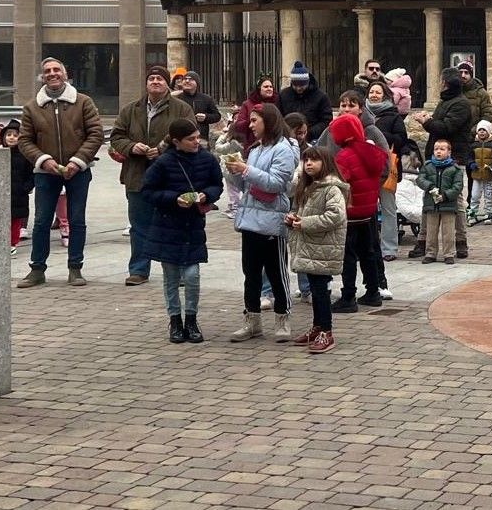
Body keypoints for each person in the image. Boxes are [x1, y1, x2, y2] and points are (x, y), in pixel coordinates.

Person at [15, 57, 105, 289]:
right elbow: (25, 140)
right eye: (47, 71)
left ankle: (75, 268)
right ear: (42, 77)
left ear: (65, 74)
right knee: (42, 221)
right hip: (45, 172)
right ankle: (37, 269)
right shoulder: (32, 107)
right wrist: (43, 160)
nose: (52, 74)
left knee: (77, 220)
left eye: (57, 70)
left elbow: (95, 134)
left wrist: (78, 161)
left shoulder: (83, 102)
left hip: (79, 171)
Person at [112, 65, 197, 287]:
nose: (155, 81)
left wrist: (162, 149)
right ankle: (139, 270)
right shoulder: (131, 109)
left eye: (160, 78)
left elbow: (190, 136)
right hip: (137, 175)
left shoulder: (182, 108)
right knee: (139, 225)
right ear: (146, 83)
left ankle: (176, 271)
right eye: (151, 78)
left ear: (167, 83)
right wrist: (132, 147)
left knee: (173, 224)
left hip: (171, 177)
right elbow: (116, 137)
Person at [139, 117, 221, 344]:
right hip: (168, 225)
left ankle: (192, 319)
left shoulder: (207, 159)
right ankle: (175, 320)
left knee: (193, 275)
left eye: (197, 137)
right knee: (171, 276)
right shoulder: (164, 162)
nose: (197, 142)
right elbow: (148, 191)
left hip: (193, 225)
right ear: (176, 141)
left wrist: (207, 195)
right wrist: (174, 199)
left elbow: (217, 184)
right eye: (191, 139)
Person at [222, 103, 297, 341]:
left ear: (269, 121)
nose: (251, 125)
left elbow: (276, 183)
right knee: (251, 273)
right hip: (250, 218)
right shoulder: (255, 149)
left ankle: (283, 318)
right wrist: (233, 170)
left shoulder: (283, 149)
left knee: (276, 272)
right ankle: (252, 320)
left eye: (255, 120)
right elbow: (245, 185)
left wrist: (246, 170)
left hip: (272, 219)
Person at [284, 146, 349, 354]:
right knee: (315, 287)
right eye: (306, 160)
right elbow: (299, 210)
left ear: (326, 163)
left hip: (323, 247)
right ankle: (317, 326)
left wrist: (304, 222)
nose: (309, 164)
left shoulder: (331, 188)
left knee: (321, 291)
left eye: (314, 160)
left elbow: (335, 216)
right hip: (310, 246)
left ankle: (326, 331)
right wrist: (292, 218)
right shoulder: (308, 186)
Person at [329, 112, 388, 312]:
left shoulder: (344, 156)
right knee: (368, 252)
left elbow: (338, 184)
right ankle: (373, 291)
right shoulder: (370, 151)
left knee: (348, 255)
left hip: (351, 212)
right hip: (368, 211)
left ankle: (348, 296)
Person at [418, 68, 474, 258]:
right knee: (429, 197)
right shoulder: (446, 101)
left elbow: (447, 128)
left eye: (441, 80)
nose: (439, 83)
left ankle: (460, 241)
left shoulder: (461, 104)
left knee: (456, 200)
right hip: (436, 158)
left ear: (446, 83)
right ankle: (424, 241)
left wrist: (426, 122)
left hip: (454, 158)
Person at [365, 80, 409, 260]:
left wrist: (379, 135)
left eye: (378, 92)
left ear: (385, 95)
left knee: (388, 208)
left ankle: (389, 249)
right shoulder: (361, 115)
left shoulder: (394, 116)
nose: (374, 95)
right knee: (366, 209)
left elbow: (401, 140)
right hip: (365, 169)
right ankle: (367, 247)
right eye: (372, 92)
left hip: (386, 168)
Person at [417, 139, 465, 264]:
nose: (438, 151)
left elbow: (458, 186)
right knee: (431, 231)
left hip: (448, 204)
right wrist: (430, 186)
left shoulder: (455, 169)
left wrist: (446, 195)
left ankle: (449, 254)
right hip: (431, 204)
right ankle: (430, 253)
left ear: (449, 152)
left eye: (442, 149)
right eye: (436, 149)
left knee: (448, 231)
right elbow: (420, 179)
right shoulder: (428, 166)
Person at [278, 61, 334, 141]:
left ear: (308, 82)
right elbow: (279, 117)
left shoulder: (321, 97)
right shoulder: (284, 95)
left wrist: (308, 133)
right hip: (288, 138)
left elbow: (326, 121)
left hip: (313, 139)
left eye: (302, 85)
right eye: (295, 85)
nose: (298, 88)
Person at [4, 122, 32, 252]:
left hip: (18, 193)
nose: (11, 137)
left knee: (15, 220)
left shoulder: (25, 155)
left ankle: (13, 243)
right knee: (3, 219)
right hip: (2, 193)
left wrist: (25, 188)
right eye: (8, 134)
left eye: (15, 135)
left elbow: (31, 174)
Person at [174, 70, 221, 145]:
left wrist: (206, 117)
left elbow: (217, 116)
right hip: (181, 139)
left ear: (197, 83)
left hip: (201, 139)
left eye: (191, 79)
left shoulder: (206, 99)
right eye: (185, 79)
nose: (187, 81)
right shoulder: (176, 99)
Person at [231, 76, 277, 150]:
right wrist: (253, 120)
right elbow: (239, 126)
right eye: (266, 87)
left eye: (271, 87)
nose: (269, 89)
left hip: (273, 143)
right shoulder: (247, 104)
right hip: (253, 144)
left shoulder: (277, 102)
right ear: (259, 89)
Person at [468, 121, 492, 226]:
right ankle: (473, 213)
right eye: (480, 130)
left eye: (484, 130)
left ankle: (488, 213)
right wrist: (471, 163)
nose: (482, 132)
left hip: (489, 175)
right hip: (476, 175)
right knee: (475, 195)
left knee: (488, 195)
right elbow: (468, 158)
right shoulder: (473, 145)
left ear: (489, 131)